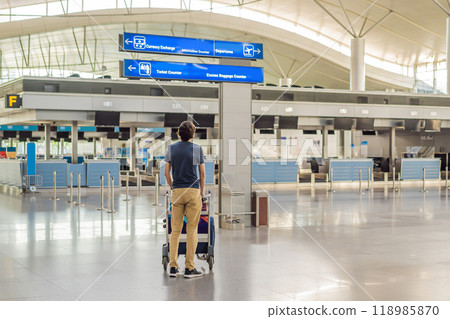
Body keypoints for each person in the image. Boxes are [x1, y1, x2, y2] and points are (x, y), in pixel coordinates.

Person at [164, 121, 205, 278]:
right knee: (191, 230)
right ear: (192, 134)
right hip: (193, 191)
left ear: (178, 133)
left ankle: (173, 267)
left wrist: (173, 186)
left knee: (175, 230)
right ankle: (189, 268)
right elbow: (202, 174)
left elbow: (166, 173)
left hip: (178, 192)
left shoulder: (171, 149)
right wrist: (201, 192)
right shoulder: (197, 149)